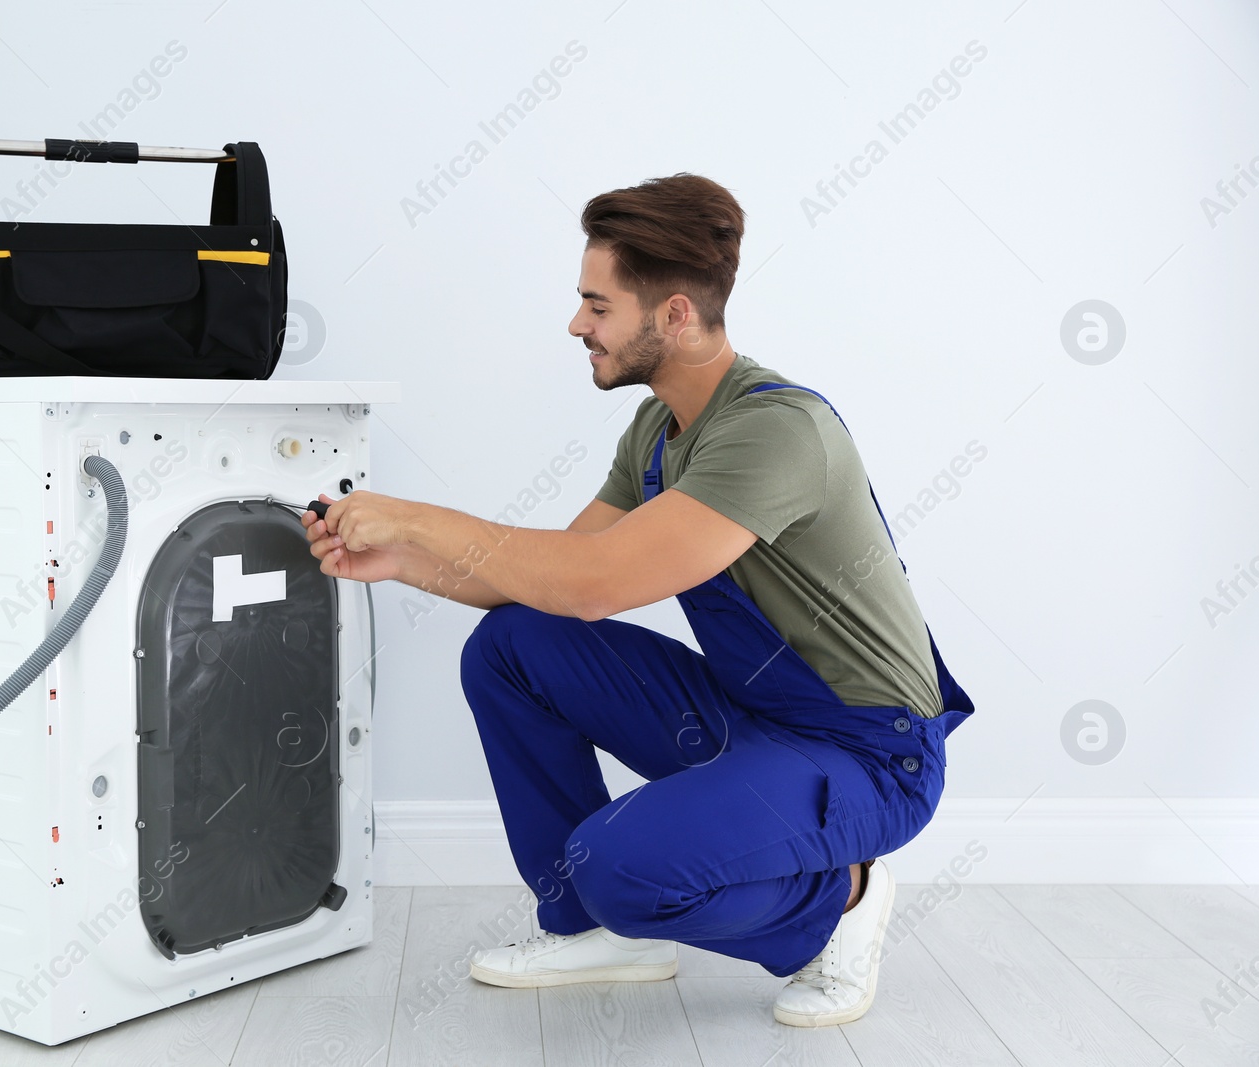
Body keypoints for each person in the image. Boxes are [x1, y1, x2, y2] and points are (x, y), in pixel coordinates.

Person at [300, 172, 974, 1027]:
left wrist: (420, 517)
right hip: (754, 717)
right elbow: (552, 575)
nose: (578, 324)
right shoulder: (658, 432)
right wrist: (397, 558)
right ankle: (594, 931)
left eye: (597, 304)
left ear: (675, 315)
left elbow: (596, 584)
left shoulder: (776, 431)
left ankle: (840, 901)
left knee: (616, 864)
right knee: (513, 643)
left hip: (871, 753)